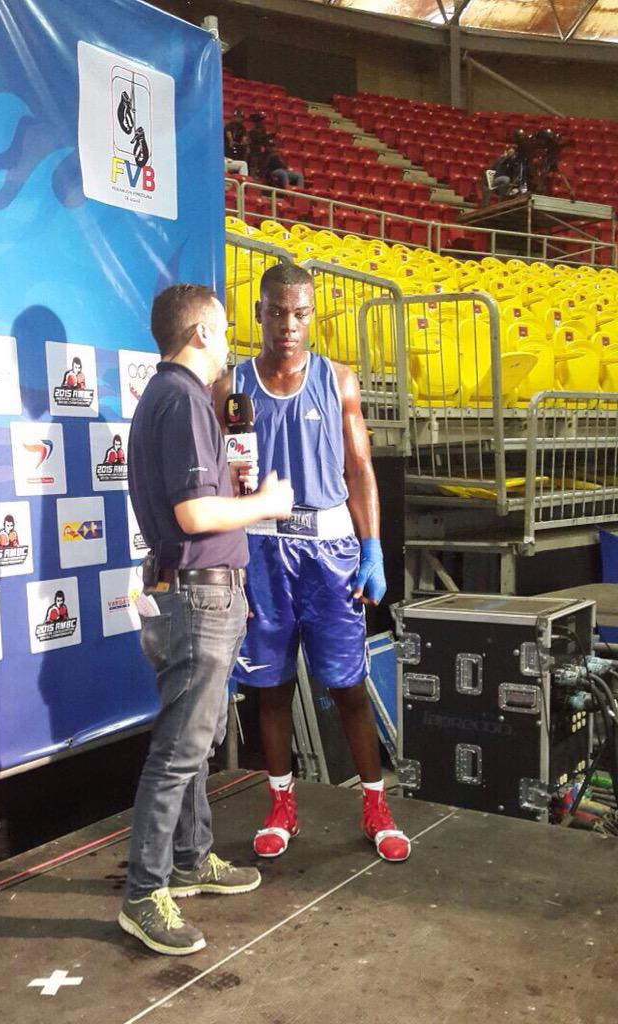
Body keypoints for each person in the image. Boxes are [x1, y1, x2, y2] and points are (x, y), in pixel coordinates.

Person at [214, 263, 411, 865]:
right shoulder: (231, 385)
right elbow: (214, 469)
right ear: (260, 314)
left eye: (301, 314)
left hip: (329, 554)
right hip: (263, 551)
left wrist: (373, 547)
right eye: (278, 312)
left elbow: (359, 472)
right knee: (268, 688)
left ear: (313, 315)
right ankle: (282, 804)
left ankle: (376, 805)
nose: (289, 325)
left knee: (347, 683)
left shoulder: (339, 381)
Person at [121, 283, 294, 957]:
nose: (230, 345)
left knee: (192, 737)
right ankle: (144, 891)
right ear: (198, 335)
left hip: (184, 592)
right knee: (181, 748)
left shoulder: (168, 399)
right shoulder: (185, 399)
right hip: (198, 596)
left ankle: (191, 858)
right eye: (222, 332)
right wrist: (266, 503)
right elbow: (195, 516)